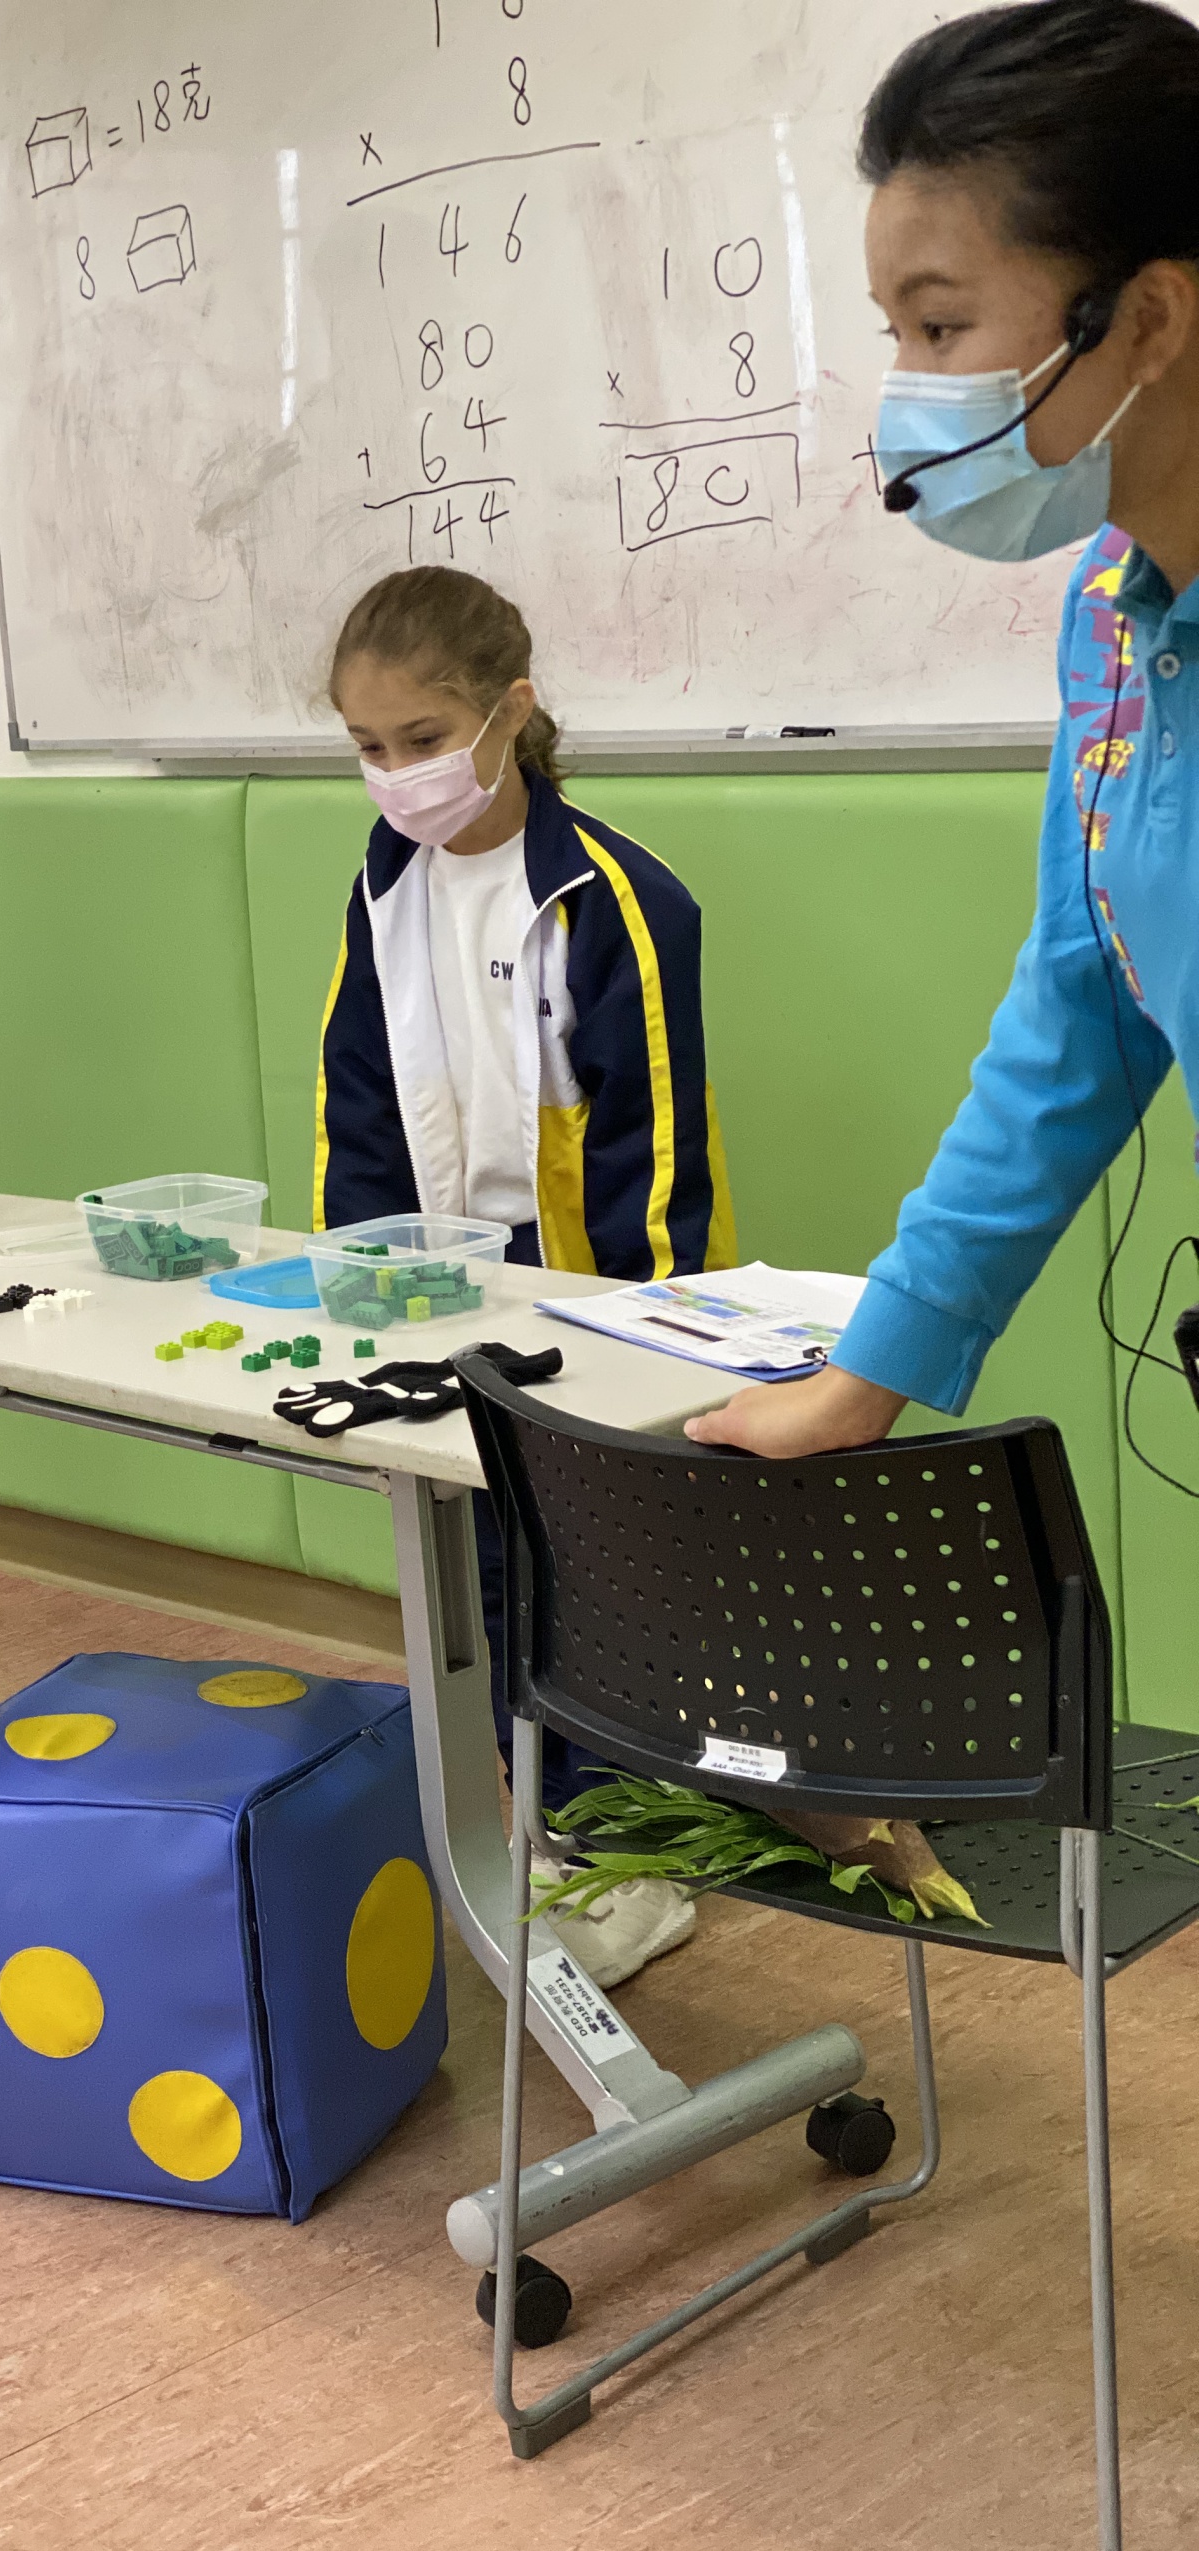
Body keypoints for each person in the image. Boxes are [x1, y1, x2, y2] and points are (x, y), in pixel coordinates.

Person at [689, 0, 1199, 1469]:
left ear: (1147, 320)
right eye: (897, 335)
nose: (913, 391)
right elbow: (1080, 1006)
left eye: (943, 326)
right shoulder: (1113, 618)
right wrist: (876, 1368)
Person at [321, 565, 736, 1984]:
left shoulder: (616, 896)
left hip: (589, 1291)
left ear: (511, 711)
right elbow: (359, 1100)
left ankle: (634, 1857)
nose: (398, 773)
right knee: (489, 1584)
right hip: (442, 1282)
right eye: (369, 747)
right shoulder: (386, 882)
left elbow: (655, 1148)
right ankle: (551, 1832)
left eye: (423, 738)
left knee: (589, 1581)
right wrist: (358, 1283)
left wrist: (639, 1349)